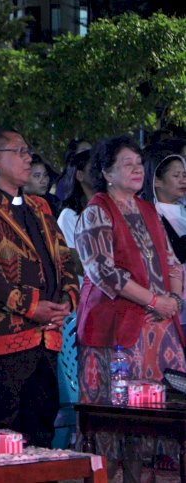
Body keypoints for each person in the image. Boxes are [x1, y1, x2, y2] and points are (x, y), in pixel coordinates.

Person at [0, 128, 79, 448]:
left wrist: (67, 300)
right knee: (6, 430)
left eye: (27, 151)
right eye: (20, 152)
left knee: (42, 424)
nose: (28, 158)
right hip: (3, 335)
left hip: (47, 334)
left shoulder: (40, 206)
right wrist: (31, 306)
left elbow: (65, 258)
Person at [75, 137, 186, 481]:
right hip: (115, 330)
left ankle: (158, 475)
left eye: (139, 163)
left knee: (164, 411)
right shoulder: (97, 211)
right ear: (106, 172)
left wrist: (175, 301)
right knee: (118, 416)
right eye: (127, 164)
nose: (137, 169)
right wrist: (156, 301)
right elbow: (104, 272)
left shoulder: (148, 209)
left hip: (160, 325)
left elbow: (173, 264)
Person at [143, 146, 186, 336]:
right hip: (172, 300)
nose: (183, 180)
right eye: (176, 175)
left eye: (184, 174)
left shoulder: (183, 211)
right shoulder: (149, 216)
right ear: (157, 181)